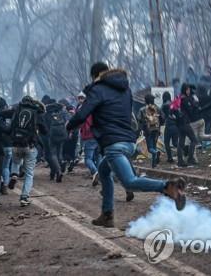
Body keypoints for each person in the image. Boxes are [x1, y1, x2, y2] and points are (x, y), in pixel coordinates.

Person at [66, 62, 186, 228]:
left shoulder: (98, 89)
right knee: (103, 170)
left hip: (113, 144)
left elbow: (82, 115)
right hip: (129, 141)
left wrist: (69, 126)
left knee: (129, 182)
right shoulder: (125, 89)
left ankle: (167, 186)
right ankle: (107, 214)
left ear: (95, 76)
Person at [4, 96, 47, 206]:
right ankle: (24, 197)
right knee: (29, 173)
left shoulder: (17, 111)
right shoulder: (36, 112)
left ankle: (14, 174)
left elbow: (7, 123)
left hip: (16, 144)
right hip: (30, 146)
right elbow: (44, 130)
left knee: (15, 162)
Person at [172, 84, 199, 167]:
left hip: (179, 123)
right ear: (185, 90)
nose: (189, 91)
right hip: (185, 123)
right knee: (194, 140)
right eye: (188, 90)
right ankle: (190, 159)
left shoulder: (179, 97)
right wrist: (194, 103)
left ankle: (180, 161)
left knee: (181, 143)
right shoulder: (186, 99)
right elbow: (190, 110)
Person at [78, 93, 101, 185]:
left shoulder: (82, 109)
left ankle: (95, 172)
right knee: (98, 157)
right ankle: (100, 175)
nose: (80, 100)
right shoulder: (98, 108)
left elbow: (80, 123)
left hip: (89, 136)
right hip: (99, 136)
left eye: (81, 98)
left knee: (88, 158)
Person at [137, 94, 163, 168]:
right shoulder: (157, 108)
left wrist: (140, 130)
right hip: (156, 130)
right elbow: (162, 117)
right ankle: (153, 165)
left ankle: (156, 153)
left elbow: (139, 120)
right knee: (154, 146)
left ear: (145, 100)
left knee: (150, 149)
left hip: (148, 131)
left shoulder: (142, 109)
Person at [44, 99, 67, 182]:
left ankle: (58, 171)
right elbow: (66, 122)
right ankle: (62, 161)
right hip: (62, 136)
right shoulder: (61, 113)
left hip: (52, 137)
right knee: (59, 153)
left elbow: (44, 127)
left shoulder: (47, 115)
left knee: (53, 154)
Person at [0, 97, 12, 195]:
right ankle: (5, 184)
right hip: (9, 144)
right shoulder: (10, 116)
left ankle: (1, 182)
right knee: (6, 167)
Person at [161, 92, 178, 163]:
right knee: (175, 143)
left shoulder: (164, 105)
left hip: (168, 125)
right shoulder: (174, 104)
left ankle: (170, 158)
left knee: (166, 142)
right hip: (176, 125)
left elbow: (162, 116)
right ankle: (185, 148)